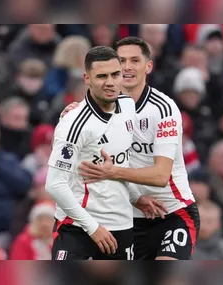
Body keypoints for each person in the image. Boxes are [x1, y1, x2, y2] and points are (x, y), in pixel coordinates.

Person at [64, 37, 200, 260]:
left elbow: (160, 176)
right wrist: (68, 120)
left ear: (148, 66)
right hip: (125, 218)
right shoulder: (93, 110)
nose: (127, 67)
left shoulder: (163, 109)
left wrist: (113, 172)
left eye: (135, 60)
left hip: (172, 212)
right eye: (122, 61)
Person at [45, 46, 165, 260]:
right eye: (101, 76)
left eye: (115, 74)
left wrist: (135, 197)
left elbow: (120, 163)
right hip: (78, 228)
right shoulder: (73, 123)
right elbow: (54, 185)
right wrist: (92, 227)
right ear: (87, 78)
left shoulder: (128, 106)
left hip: (122, 226)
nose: (110, 82)